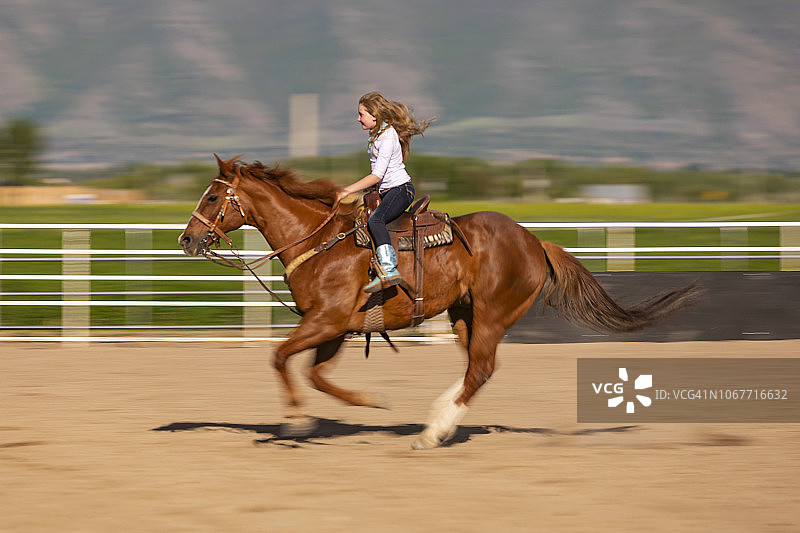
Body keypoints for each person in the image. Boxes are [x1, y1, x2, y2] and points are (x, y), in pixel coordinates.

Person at [337, 92, 434, 293]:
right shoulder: (378, 136)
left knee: (375, 221)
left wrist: (346, 190)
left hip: (400, 190)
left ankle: (389, 269)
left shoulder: (387, 136)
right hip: (389, 190)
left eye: (361, 114)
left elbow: (376, 175)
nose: (358, 119)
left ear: (374, 115)